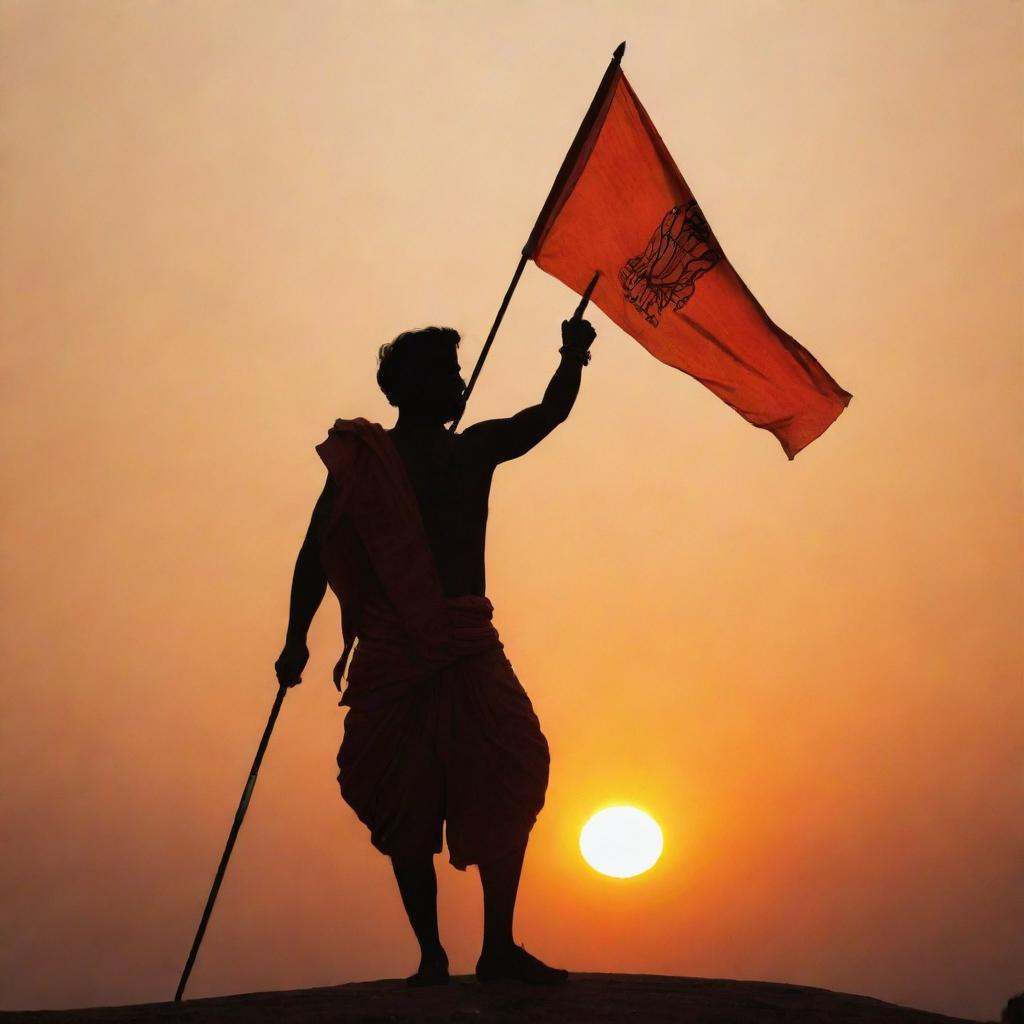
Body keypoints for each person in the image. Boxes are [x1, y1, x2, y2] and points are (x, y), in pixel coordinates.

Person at [274, 316, 597, 986]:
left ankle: (498, 947)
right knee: (404, 799)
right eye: (446, 374)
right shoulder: (363, 465)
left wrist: (571, 353)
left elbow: (548, 414)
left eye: (456, 372)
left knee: (509, 769)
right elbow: (316, 552)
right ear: (407, 387)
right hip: (395, 652)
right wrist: (295, 640)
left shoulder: (470, 450)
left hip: (468, 642)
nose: (459, 383)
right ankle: (431, 956)